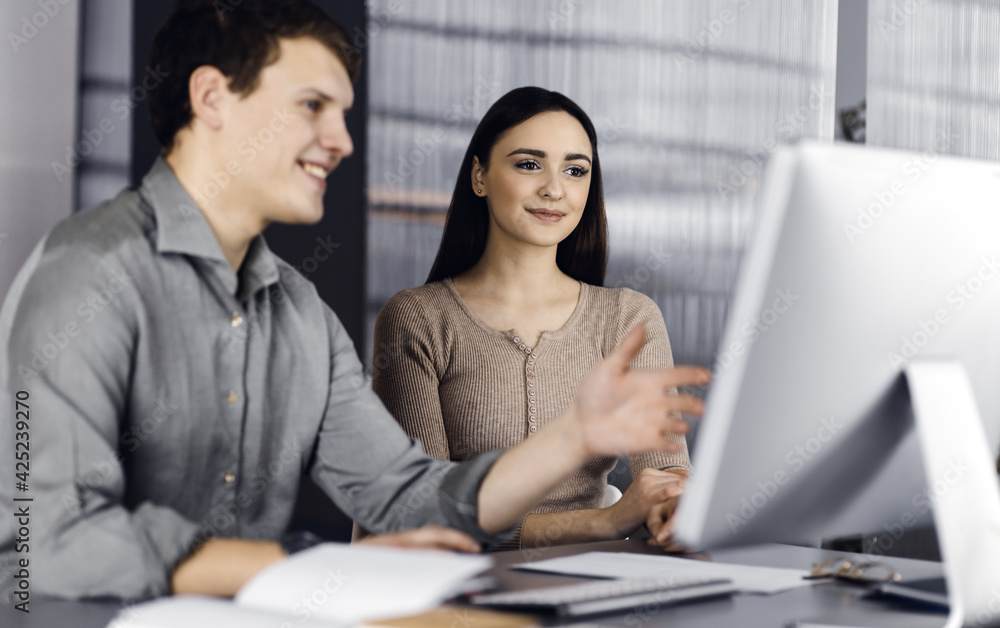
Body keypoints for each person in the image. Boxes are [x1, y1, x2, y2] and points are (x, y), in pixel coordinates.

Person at [0, 0, 709, 603]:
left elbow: (405, 497)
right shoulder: (86, 270)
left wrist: (576, 438)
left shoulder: (297, 312)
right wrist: (306, 567)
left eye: (343, 111)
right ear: (212, 98)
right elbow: (42, 543)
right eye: (313, 105)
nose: (341, 141)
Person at [371, 87, 694, 552]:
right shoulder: (418, 320)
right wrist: (604, 522)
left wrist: (671, 506)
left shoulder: (628, 316)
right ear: (479, 176)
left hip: (595, 585)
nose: (554, 189)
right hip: (465, 597)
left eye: (575, 170)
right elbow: (425, 517)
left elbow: (666, 475)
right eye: (528, 164)